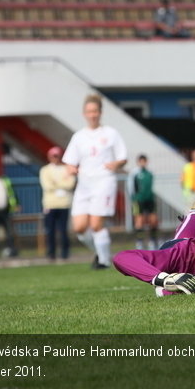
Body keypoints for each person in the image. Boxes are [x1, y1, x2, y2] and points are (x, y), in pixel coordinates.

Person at [63, 94, 128, 269]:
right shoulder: (79, 136)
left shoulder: (111, 133)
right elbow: (69, 161)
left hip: (104, 181)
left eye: (95, 111)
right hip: (84, 184)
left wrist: (116, 163)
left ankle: (103, 261)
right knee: (79, 228)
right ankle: (102, 253)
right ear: (84, 113)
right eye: (89, 111)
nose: (92, 114)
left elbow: (123, 158)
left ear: (100, 112)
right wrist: (71, 169)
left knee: (96, 223)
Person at [39, 146, 76, 260]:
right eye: (53, 156)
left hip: (64, 203)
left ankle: (65, 252)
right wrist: (62, 184)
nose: (56, 158)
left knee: (63, 230)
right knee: (50, 230)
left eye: (57, 156)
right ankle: (51, 253)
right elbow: (47, 186)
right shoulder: (45, 170)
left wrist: (57, 184)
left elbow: (70, 184)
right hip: (50, 204)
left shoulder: (67, 169)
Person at [129, 154, 159, 250]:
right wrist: (134, 199)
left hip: (149, 200)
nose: (143, 163)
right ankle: (139, 243)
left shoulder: (150, 173)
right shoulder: (134, 173)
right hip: (138, 200)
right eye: (141, 161)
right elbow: (131, 188)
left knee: (153, 221)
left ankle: (153, 242)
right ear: (138, 162)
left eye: (144, 161)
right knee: (139, 221)